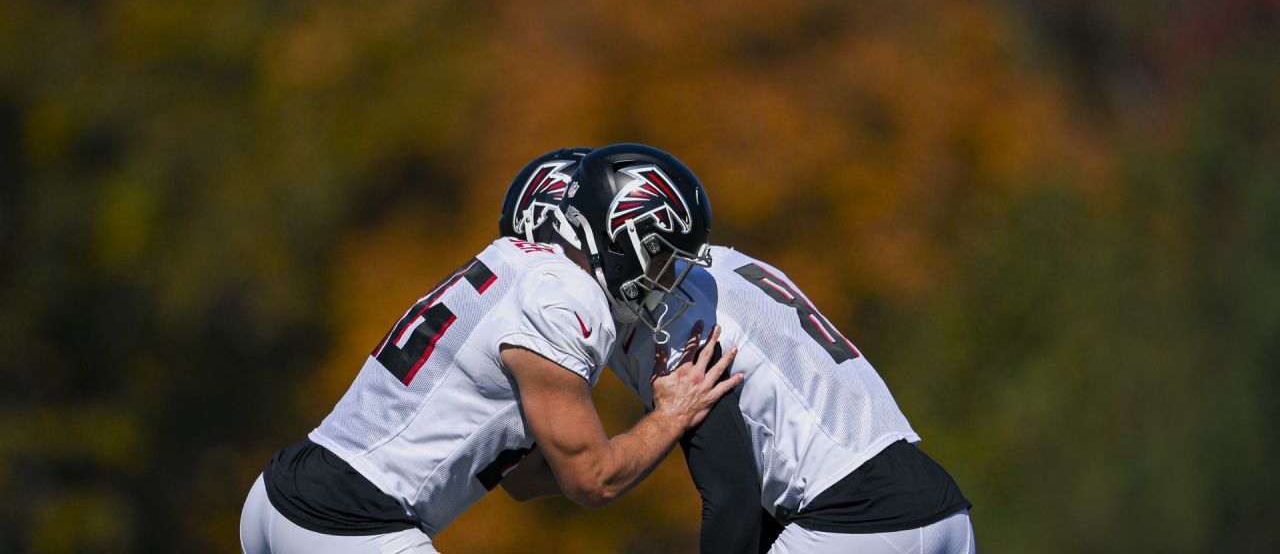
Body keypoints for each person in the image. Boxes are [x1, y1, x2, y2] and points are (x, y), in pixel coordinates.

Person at [240, 144, 741, 554]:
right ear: (622, 238)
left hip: (279, 495)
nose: (663, 282)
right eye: (659, 261)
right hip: (352, 522)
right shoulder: (567, 299)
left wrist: (619, 450)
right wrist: (669, 416)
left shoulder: (511, 261)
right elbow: (593, 480)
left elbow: (521, 478)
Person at [504, 147, 974, 554]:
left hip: (854, 520)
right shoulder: (727, 263)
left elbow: (732, 494)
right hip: (937, 506)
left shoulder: (660, 322)